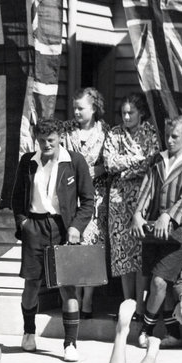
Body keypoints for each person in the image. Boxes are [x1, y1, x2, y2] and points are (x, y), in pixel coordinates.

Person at [11, 117, 95, 362]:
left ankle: (70, 344)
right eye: (41, 140)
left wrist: (76, 227)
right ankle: (28, 332)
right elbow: (17, 197)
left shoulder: (75, 162)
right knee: (32, 284)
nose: (46, 145)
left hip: (62, 228)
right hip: (34, 227)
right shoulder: (28, 162)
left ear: (60, 138)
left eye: (51, 140)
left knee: (67, 286)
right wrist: (23, 224)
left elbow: (88, 201)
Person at [132, 115, 182, 350]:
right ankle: (173, 333)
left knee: (159, 282)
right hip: (155, 233)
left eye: (175, 136)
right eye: (167, 135)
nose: (169, 140)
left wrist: (168, 216)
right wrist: (138, 213)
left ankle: (146, 329)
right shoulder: (159, 160)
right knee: (160, 283)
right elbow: (148, 188)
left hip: (179, 234)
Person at [104, 94, 159, 317]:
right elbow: (109, 163)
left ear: (141, 113)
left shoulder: (150, 132)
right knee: (122, 252)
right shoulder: (114, 133)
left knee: (140, 250)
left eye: (131, 113)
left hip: (143, 196)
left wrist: (125, 167)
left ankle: (140, 305)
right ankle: (127, 303)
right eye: (124, 113)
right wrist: (136, 161)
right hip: (118, 198)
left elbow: (151, 160)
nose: (126, 117)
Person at [64, 88, 109, 319]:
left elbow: (109, 163)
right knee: (75, 246)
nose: (77, 112)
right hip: (72, 194)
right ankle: (76, 299)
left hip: (96, 196)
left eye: (81, 108)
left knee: (91, 248)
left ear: (94, 108)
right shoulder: (66, 131)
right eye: (75, 108)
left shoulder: (105, 132)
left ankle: (88, 300)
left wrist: (93, 171)